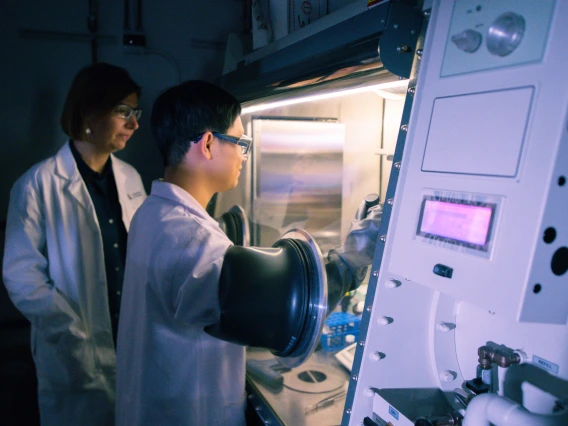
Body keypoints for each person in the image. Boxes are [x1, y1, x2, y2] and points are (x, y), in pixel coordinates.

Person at [115, 80, 381, 425]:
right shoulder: (189, 236)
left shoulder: (152, 214)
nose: (242, 155)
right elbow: (292, 314)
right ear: (208, 143)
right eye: (240, 142)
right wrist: (360, 250)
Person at [2, 62, 147, 426]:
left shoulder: (130, 178)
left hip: (131, 344)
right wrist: (71, 335)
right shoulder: (37, 184)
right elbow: (21, 276)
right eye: (123, 111)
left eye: (135, 112)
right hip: (73, 352)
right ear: (89, 112)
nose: (134, 124)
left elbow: (144, 255)